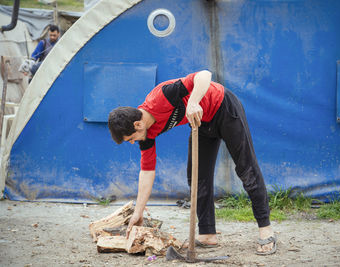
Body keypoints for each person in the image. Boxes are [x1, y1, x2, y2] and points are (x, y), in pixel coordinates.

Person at [108, 70, 277, 255]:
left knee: (247, 170)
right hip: (201, 123)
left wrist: (194, 102)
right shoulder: (147, 135)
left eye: (131, 138)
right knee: (198, 177)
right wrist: (138, 212)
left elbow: (204, 75)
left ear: (137, 125)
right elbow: (147, 171)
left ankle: (266, 230)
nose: (133, 142)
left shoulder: (161, 97)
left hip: (224, 107)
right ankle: (207, 234)